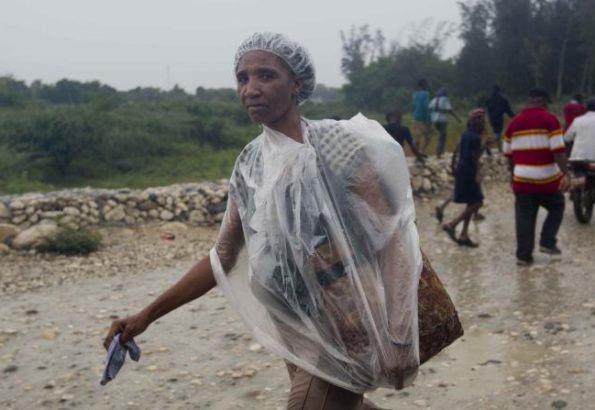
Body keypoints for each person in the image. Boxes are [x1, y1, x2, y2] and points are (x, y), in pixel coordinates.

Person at [104, 33, 423, 409]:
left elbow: (392, 234)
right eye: (243, 78)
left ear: (296, 84)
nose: (251, 89)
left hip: (348, 322)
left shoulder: (337, 144)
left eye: (266, 76)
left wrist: (400, 332)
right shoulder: (250, 164)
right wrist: (146, 315)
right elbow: (223, 255)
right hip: (294, 327)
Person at [503, 88, 570, 266]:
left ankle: (523, 257)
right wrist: (566, 174)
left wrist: (513, 175)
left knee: (524, 217)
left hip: (522, 180)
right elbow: (559, 153)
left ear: (529, 101)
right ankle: (547, 242)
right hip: (547, 180)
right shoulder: (550, 119)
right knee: (557, 205)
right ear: (545, 101)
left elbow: (507, 153)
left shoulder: (513, 123)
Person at [441, 109, 486, 248]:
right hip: (469, 172)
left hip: (461, 169)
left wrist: (453, 164)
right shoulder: (476, 138)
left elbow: (456, 150)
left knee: (471, 201)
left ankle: (464, 235)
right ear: (480, 123)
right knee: (478, 202)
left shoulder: (465, 134)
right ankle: (452, 224)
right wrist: (479, 173)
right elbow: (475, 158)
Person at [429, 88, 461, 158]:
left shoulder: (434, 99)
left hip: (434, 119)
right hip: (442, 119)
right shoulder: (445, 99)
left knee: (441, 135)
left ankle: (440, 151)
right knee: (442, 136)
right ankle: (439, 151)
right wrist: (457, 118)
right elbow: (449, 110)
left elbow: (430, 108)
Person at [482, 85, 515, 152]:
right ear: (499, 91)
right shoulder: (502, 100)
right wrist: (515, 117)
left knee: (496, 133)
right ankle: (488, 144)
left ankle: (500, 150)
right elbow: (508, 111)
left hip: (491, 119)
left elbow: (486, 109)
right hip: (499, 120)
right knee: (497, 135)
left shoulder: (489, 99)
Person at [412, 78, 433, 154]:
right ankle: (422, 150)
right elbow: (426, 106)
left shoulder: (415, 95)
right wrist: (428, 120)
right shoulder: (426, 94)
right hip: (424, 119)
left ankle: (417, 154)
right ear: (424, 85)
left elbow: (413, 106)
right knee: (428, 137)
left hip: (415, 117)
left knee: (417, 137)